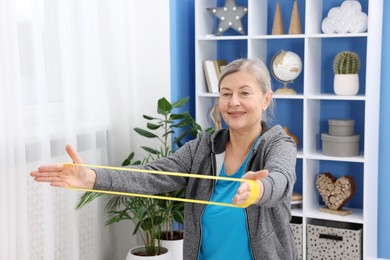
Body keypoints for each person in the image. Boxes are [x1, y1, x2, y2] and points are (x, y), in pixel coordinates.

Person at [31, 58, 297, 259]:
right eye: (226, 93)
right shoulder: (203, 148)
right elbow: (153, 175)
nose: (233, 102)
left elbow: (280, 179)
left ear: (266, 99)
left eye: (244, 93)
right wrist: (94, 177)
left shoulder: (277, 144)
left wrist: (258, 189)